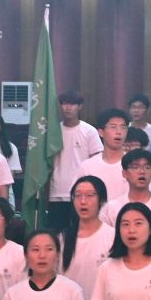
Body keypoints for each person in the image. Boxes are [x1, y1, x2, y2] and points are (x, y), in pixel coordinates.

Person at [45, 91, 104, 232]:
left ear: (80, 106)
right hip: (56, 192)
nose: (68, 108)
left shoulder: (89, 131)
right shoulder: (53, 131)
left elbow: (97, 162)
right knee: (57, 235)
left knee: (80, 233)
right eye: (64, 104)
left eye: (72, 104)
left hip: (82, 194)